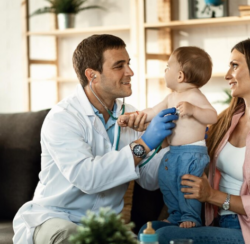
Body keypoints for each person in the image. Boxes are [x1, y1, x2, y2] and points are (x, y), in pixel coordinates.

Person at [12, 34, 178, 244]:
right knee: (72, 237)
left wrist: (169, 143)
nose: (130, 72)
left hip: (104, 225)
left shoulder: (130, 114)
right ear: (92, 75)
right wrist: (144, 143)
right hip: (56, 219)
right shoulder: (63, 117)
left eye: (128, 63)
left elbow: (149, 180)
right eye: (119, 66)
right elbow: (88, 178)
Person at [138, 39, 250, 244]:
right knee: (149, 230)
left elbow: (209, 191)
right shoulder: (228, 120)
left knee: (161, 237)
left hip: (244, 228)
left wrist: (212, 196)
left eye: (235, 65)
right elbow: (191, 149)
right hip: (216, 220)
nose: (227, 75)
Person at [118, 46, 217, 228]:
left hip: (192, 153)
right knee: (167, 182)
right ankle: (175, 215)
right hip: (173, 152)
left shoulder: (195, 96)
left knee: (186, 185)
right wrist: (132, 118)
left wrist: (194, 110)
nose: (165, 71)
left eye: (167, 67)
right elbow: (152, 112)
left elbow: (213, 116)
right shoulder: (171, 97)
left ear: (180, 76)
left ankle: (191, 216)